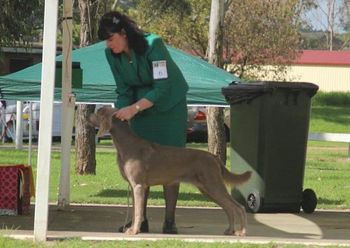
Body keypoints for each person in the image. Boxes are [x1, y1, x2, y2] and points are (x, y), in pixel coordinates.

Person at [98, 11, 189, 234]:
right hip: (139, 110)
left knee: (171, 162)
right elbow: (123, 89)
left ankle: (170, 221)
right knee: (139, 164)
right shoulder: (112, 55)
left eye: (111, 39)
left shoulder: (153, 44)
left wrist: (135, 108)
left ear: (123, 33)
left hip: (168, 107)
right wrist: (120, 110)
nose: (108, 45)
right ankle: (141, 221)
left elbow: (163, 86)